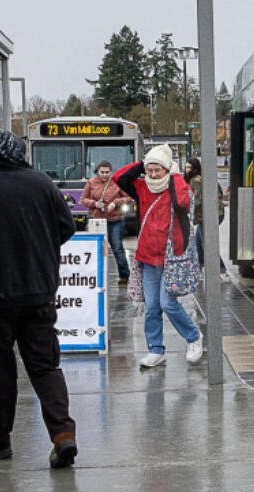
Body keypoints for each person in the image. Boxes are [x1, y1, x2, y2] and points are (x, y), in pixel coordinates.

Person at [0, 129, 79, 469]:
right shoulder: (42, 183)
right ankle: (63, 434)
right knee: (45, 365)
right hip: (39, 292)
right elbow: (67, 227)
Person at [114, 144, 204, 367]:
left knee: (168, 303)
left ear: (167, 170)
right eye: (150, 170)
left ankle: (193, 337)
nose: (153, 174)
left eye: (158, 170)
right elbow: (120, 178)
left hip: (172, 258)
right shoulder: (143, 187)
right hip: (147, 256)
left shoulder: (175, 186)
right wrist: (145, 162)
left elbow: (185, 202)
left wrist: (174, 175)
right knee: (152, 306)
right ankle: (156, 350)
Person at [79, 160, 133, 284]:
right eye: (102, 172)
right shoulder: (91, 183)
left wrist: (116, 203)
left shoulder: (117, 182)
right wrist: (94, 204)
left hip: (115, 220)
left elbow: (129, 197)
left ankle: (125, 276)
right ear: (98, 171)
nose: (104, 175)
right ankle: (92, 275)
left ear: (111, 172)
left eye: (107, 172)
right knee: (95, 248)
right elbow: (83, 200)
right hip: (97, 220)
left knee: (117, 248)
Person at [184, 157, 228, 280]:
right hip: (215, 213)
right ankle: (200, 268)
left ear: (195, 168)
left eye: (189, 168)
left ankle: (221, 271)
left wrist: (186, 211)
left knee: (207, 244)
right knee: (199, 242)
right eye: (186, 167)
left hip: (208, 216)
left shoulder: (195, 181)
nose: (187, 170)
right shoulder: (205, 178)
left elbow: (196, 201)